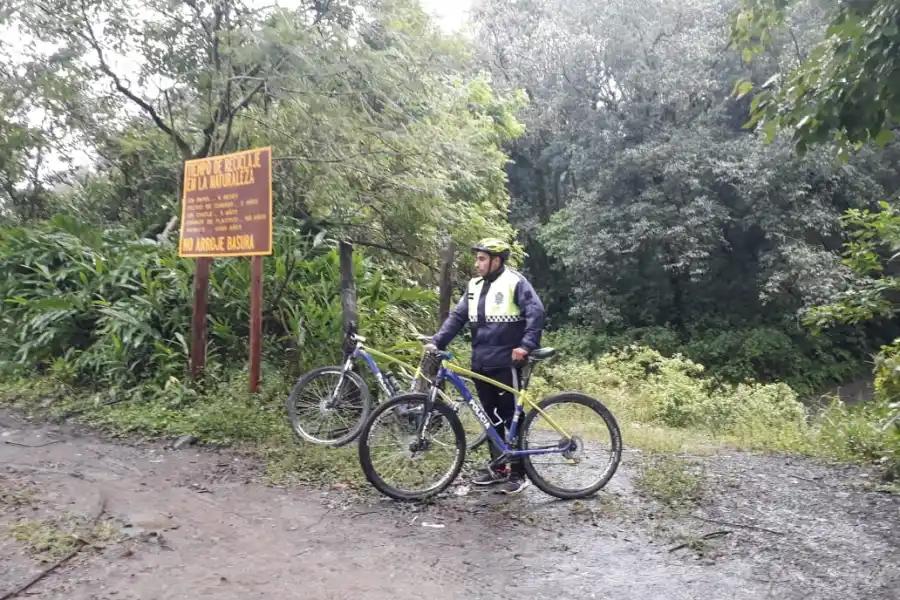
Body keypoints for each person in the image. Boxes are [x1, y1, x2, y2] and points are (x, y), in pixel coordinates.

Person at [427, 237, 545, 495]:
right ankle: (500, 467)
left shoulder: (515, 281)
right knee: (490, 417)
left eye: (482, 259)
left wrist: (525, 346)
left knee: (510, 413)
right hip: (480, 360)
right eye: (476, 258)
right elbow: (457, 317)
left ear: (496, 260)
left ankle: (519, 472)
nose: (476, 264)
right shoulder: (474, 285)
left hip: (507, 360)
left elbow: (536, 312)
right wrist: (437, 342)